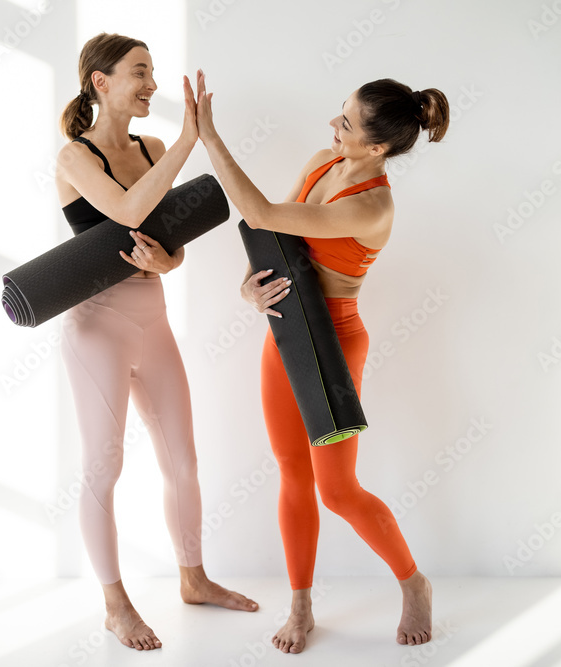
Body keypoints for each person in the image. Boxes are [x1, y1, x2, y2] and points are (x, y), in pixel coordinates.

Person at [193, 70, 448, 652]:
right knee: (290, 471)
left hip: (334, 340)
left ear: (377, 147)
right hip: (285, 329)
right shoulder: (320, 161)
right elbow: (274, 237)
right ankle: (301, 605)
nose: (334, 125)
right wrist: (248, 291)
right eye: (341, 111)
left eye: (348, 124)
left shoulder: (373, 208)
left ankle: (415, 584)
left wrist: (210, 137)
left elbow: (256, 211)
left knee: (336, 489)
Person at [54, 33, 258, 652]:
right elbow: (124, 210)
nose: (152, 84)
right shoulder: (74, 157)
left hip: (154, 317)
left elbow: (169, 238)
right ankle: (116, 605)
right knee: (104, 466)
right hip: (98, 326)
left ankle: (193, 579)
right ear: (101, 82)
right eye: (140, 72)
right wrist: (192, 142)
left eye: (154, 72)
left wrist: (168, 263)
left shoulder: (152, 146)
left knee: (184, 461)